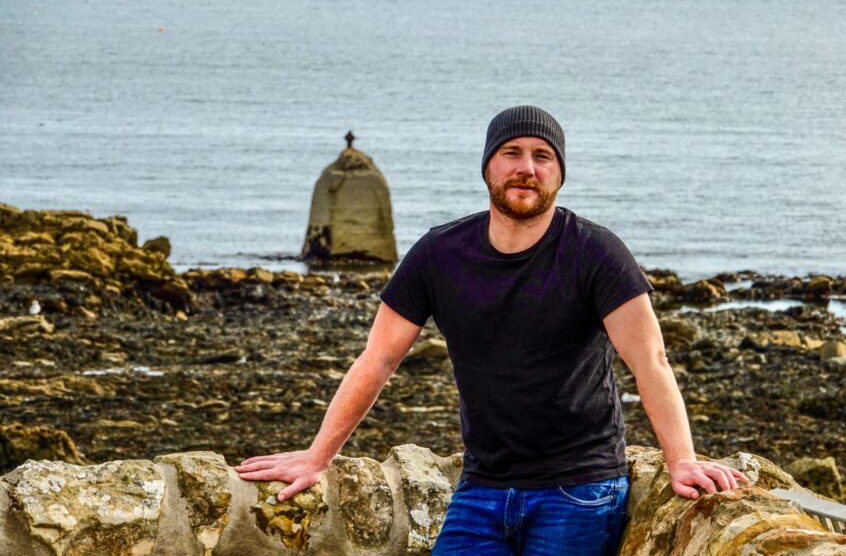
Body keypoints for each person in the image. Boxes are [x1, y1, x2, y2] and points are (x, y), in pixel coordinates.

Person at [236, 106, 748, 554]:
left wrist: (681, 460)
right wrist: (316, 457)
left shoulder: (596, 253)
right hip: (481, 488)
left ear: (559, 174)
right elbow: (378, 359)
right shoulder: (440, 254)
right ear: (488, 166)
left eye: (542, 156)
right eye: (512, 152)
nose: (526, 168)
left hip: (580, 490)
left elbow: (649, 360)